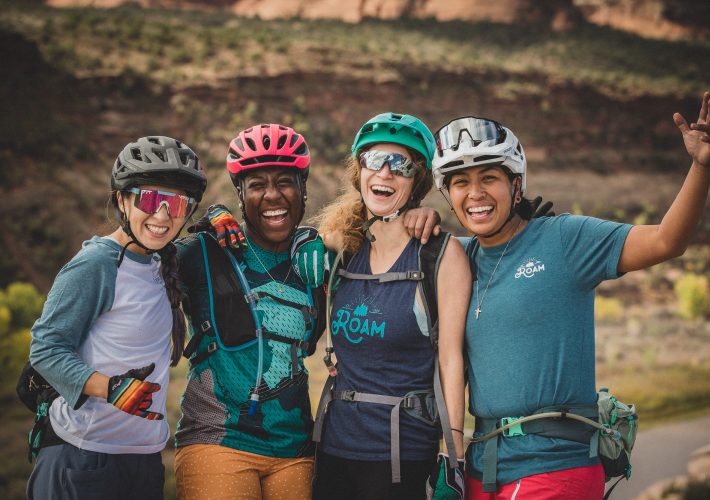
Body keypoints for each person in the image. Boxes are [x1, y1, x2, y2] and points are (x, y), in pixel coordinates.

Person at [430, 92, 710, 499]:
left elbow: (667, 240)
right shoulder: (455, 258)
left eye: (489, 178)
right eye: (460, 183)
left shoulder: (564, 240)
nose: (474, 193)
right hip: (481, 469)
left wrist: (701, 167)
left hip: (556, 466)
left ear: (516, 187)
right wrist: (412, 214)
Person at [27, 136, 207, 499]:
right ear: (122, 199)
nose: (162, 215)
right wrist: (110, 388)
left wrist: (218, 220)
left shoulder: (164, 262)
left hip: (142, 460)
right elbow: (46, 349)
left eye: (177, 203)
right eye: (150, 199)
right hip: (82, 455)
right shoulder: (97, 264)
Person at [310, 112, 472, 500]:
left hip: (402, 453)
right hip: (332, 446)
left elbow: (452, 360)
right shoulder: (342, 244)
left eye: (400, 165)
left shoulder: (440, 256)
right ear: (359, 169)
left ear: (417, 180)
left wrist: (455, 456)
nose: (385, 172)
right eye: (374, 159)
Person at [173, 123, 327, 499]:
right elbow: (140, 260)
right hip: (219, 440)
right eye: (257, 184)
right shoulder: (204, 251)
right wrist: (205, 219)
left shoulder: (315, 261)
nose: (272, 195)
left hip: (295, 449)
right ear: (240, 195)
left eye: (284, 182)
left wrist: (322, 234)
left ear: (303, 189)